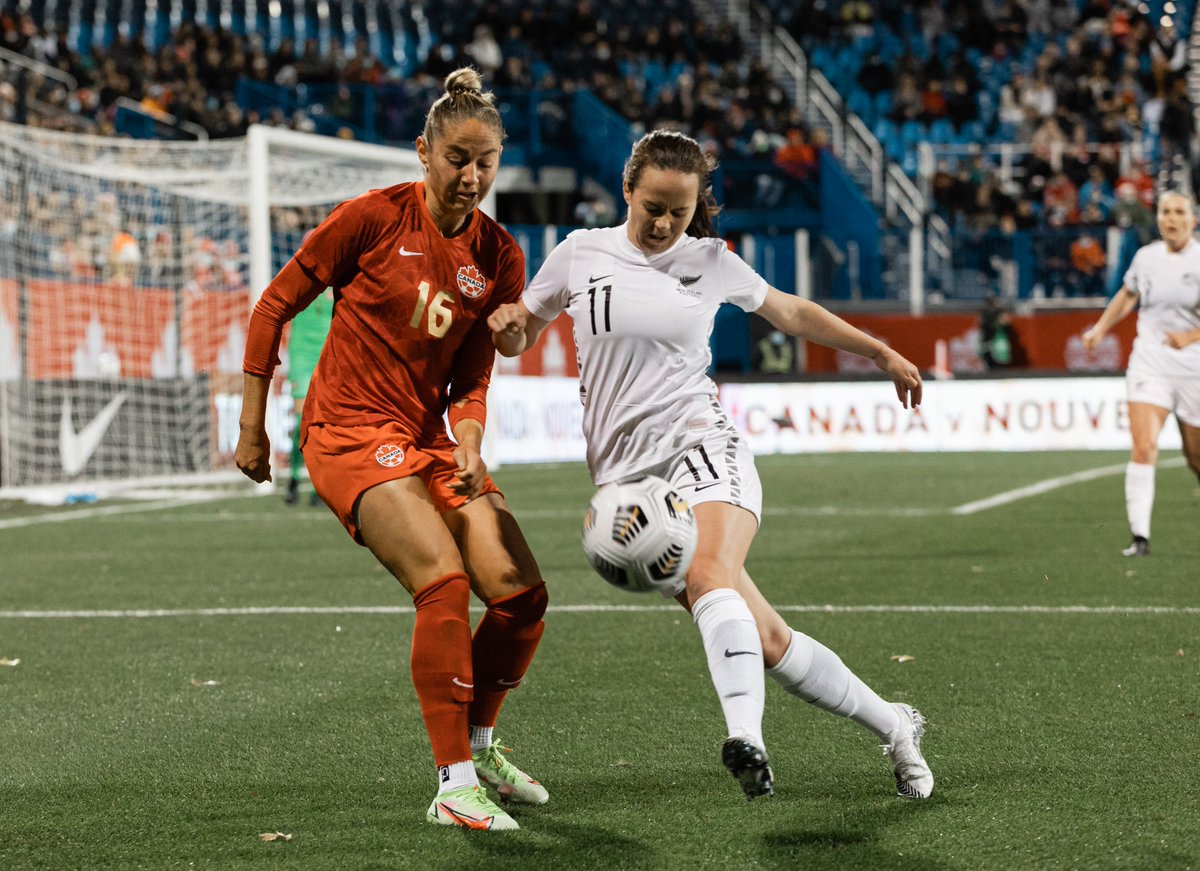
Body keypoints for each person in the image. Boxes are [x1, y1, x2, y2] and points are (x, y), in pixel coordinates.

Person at [489, 129, 934, 802]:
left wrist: (877, 351)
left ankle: (746, 737)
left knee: (708, 571)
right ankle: (894, 724)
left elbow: (789, 311)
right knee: (768, 638)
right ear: (627, 190)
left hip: (702, 446)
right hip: (628, 486)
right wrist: (509, 328)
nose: (667, 223)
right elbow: (525, 325)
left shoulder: (711, 260)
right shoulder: (580, 254)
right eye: (654, 207)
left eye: (681, 210)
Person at [236, 68, 549, 831]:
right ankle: (453, 784)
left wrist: (469, 438)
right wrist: (252, 426)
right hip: (345, 435)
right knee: (442, 582)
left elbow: (474, 371)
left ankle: (480, 744)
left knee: (521, 596)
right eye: (457, 159)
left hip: (426, 439)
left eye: (486, 163)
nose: (471, 176)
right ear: (423, 151)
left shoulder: (500, 257)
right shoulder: (371, 219)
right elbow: (275, 304)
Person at [1082, 190, 1200, 557]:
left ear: (1193, 220)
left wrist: (1192, 335)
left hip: (1194, 365)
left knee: (1196, 458)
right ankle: (1140, 538)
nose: (1171, 219)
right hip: (1150, 361)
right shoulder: (1146, 257)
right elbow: (1129, 294)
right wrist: (1102, 327)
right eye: (1165, 212)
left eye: (1179, 212)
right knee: (1144, 445)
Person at [283, 283, 332, 505]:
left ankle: (317, 486)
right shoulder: (300, 283)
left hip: (325, 356)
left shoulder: (342, 284)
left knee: (321, 425)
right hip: (301, 356)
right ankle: (293, 477)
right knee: (301, 422)